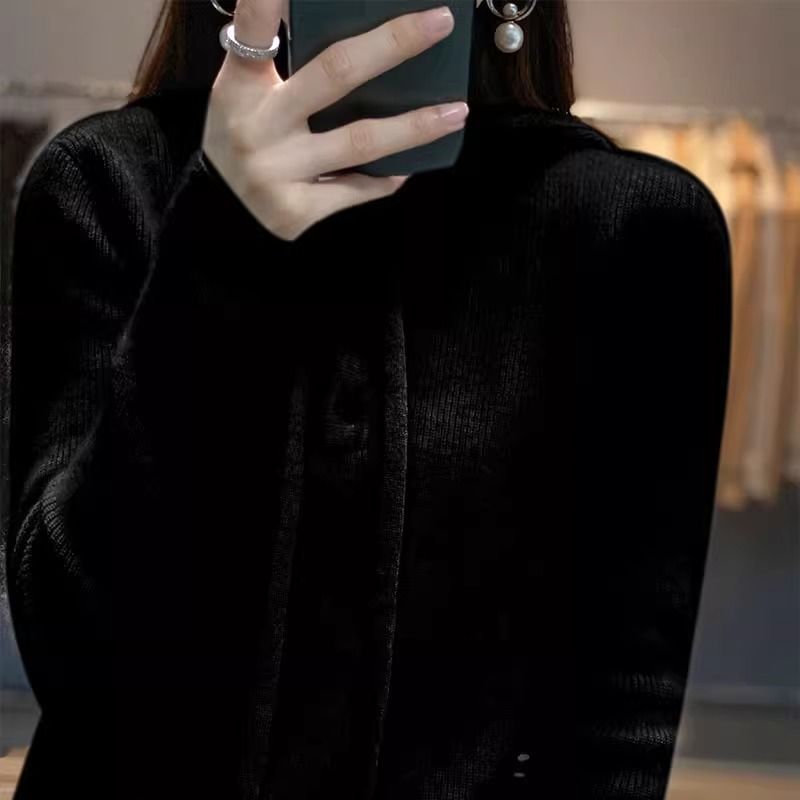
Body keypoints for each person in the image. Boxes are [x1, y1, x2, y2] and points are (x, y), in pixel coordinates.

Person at [4, 1, 732, 798]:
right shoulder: (105, 183)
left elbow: (615, 727)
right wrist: (219, 242)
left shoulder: (631, 231)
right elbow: (67, 652)